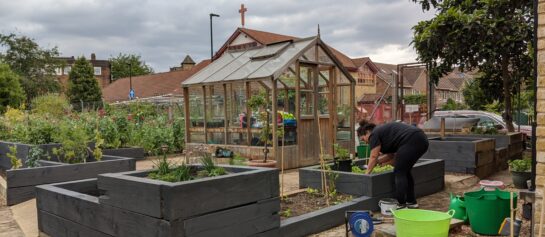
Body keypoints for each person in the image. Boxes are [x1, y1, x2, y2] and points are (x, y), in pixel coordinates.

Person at [357, 120, 429, 209]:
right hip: (421, 139)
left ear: (367, 133)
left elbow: (373, 156)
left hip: (411, 140)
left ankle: (401, 204)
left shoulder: (374, 134)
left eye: (363, 139)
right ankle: (411, 202)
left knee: (399, 172)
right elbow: (390, 156)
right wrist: (378, 162)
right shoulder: (382, 134)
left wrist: (367, 173)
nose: (365, 142)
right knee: (405, 171)